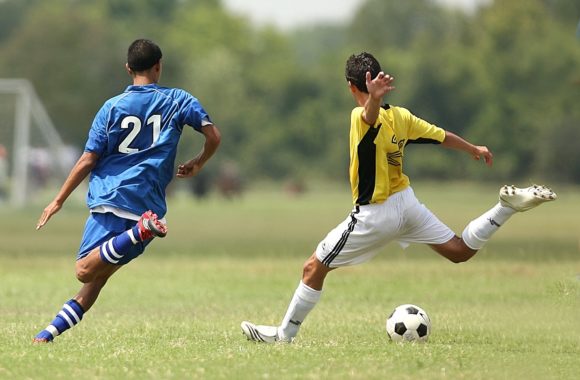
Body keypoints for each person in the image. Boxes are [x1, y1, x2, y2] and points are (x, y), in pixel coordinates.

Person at [240, 52, 556, 343]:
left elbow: (368, 117)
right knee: (459, 251)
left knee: (313, 268)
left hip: (375, 214)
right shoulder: (401, 117)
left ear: (351, 86)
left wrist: (372, 100)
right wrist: (473, 148)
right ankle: (504, 208)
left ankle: (285, 335)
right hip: (407, 203)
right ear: (376, 79)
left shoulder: (358, 116)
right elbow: (440, 135)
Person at [33, 39, 221, 343]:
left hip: (112, 198)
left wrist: (57, 200)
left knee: (84, 270)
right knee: (96, 281)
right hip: (148, 203)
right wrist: (198, 163)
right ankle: (47, 334)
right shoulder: (178, 100)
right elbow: (213, 136)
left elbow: (88, 159)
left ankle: (138, 232)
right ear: (159, 66)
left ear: (128, 68)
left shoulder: (111, 108)